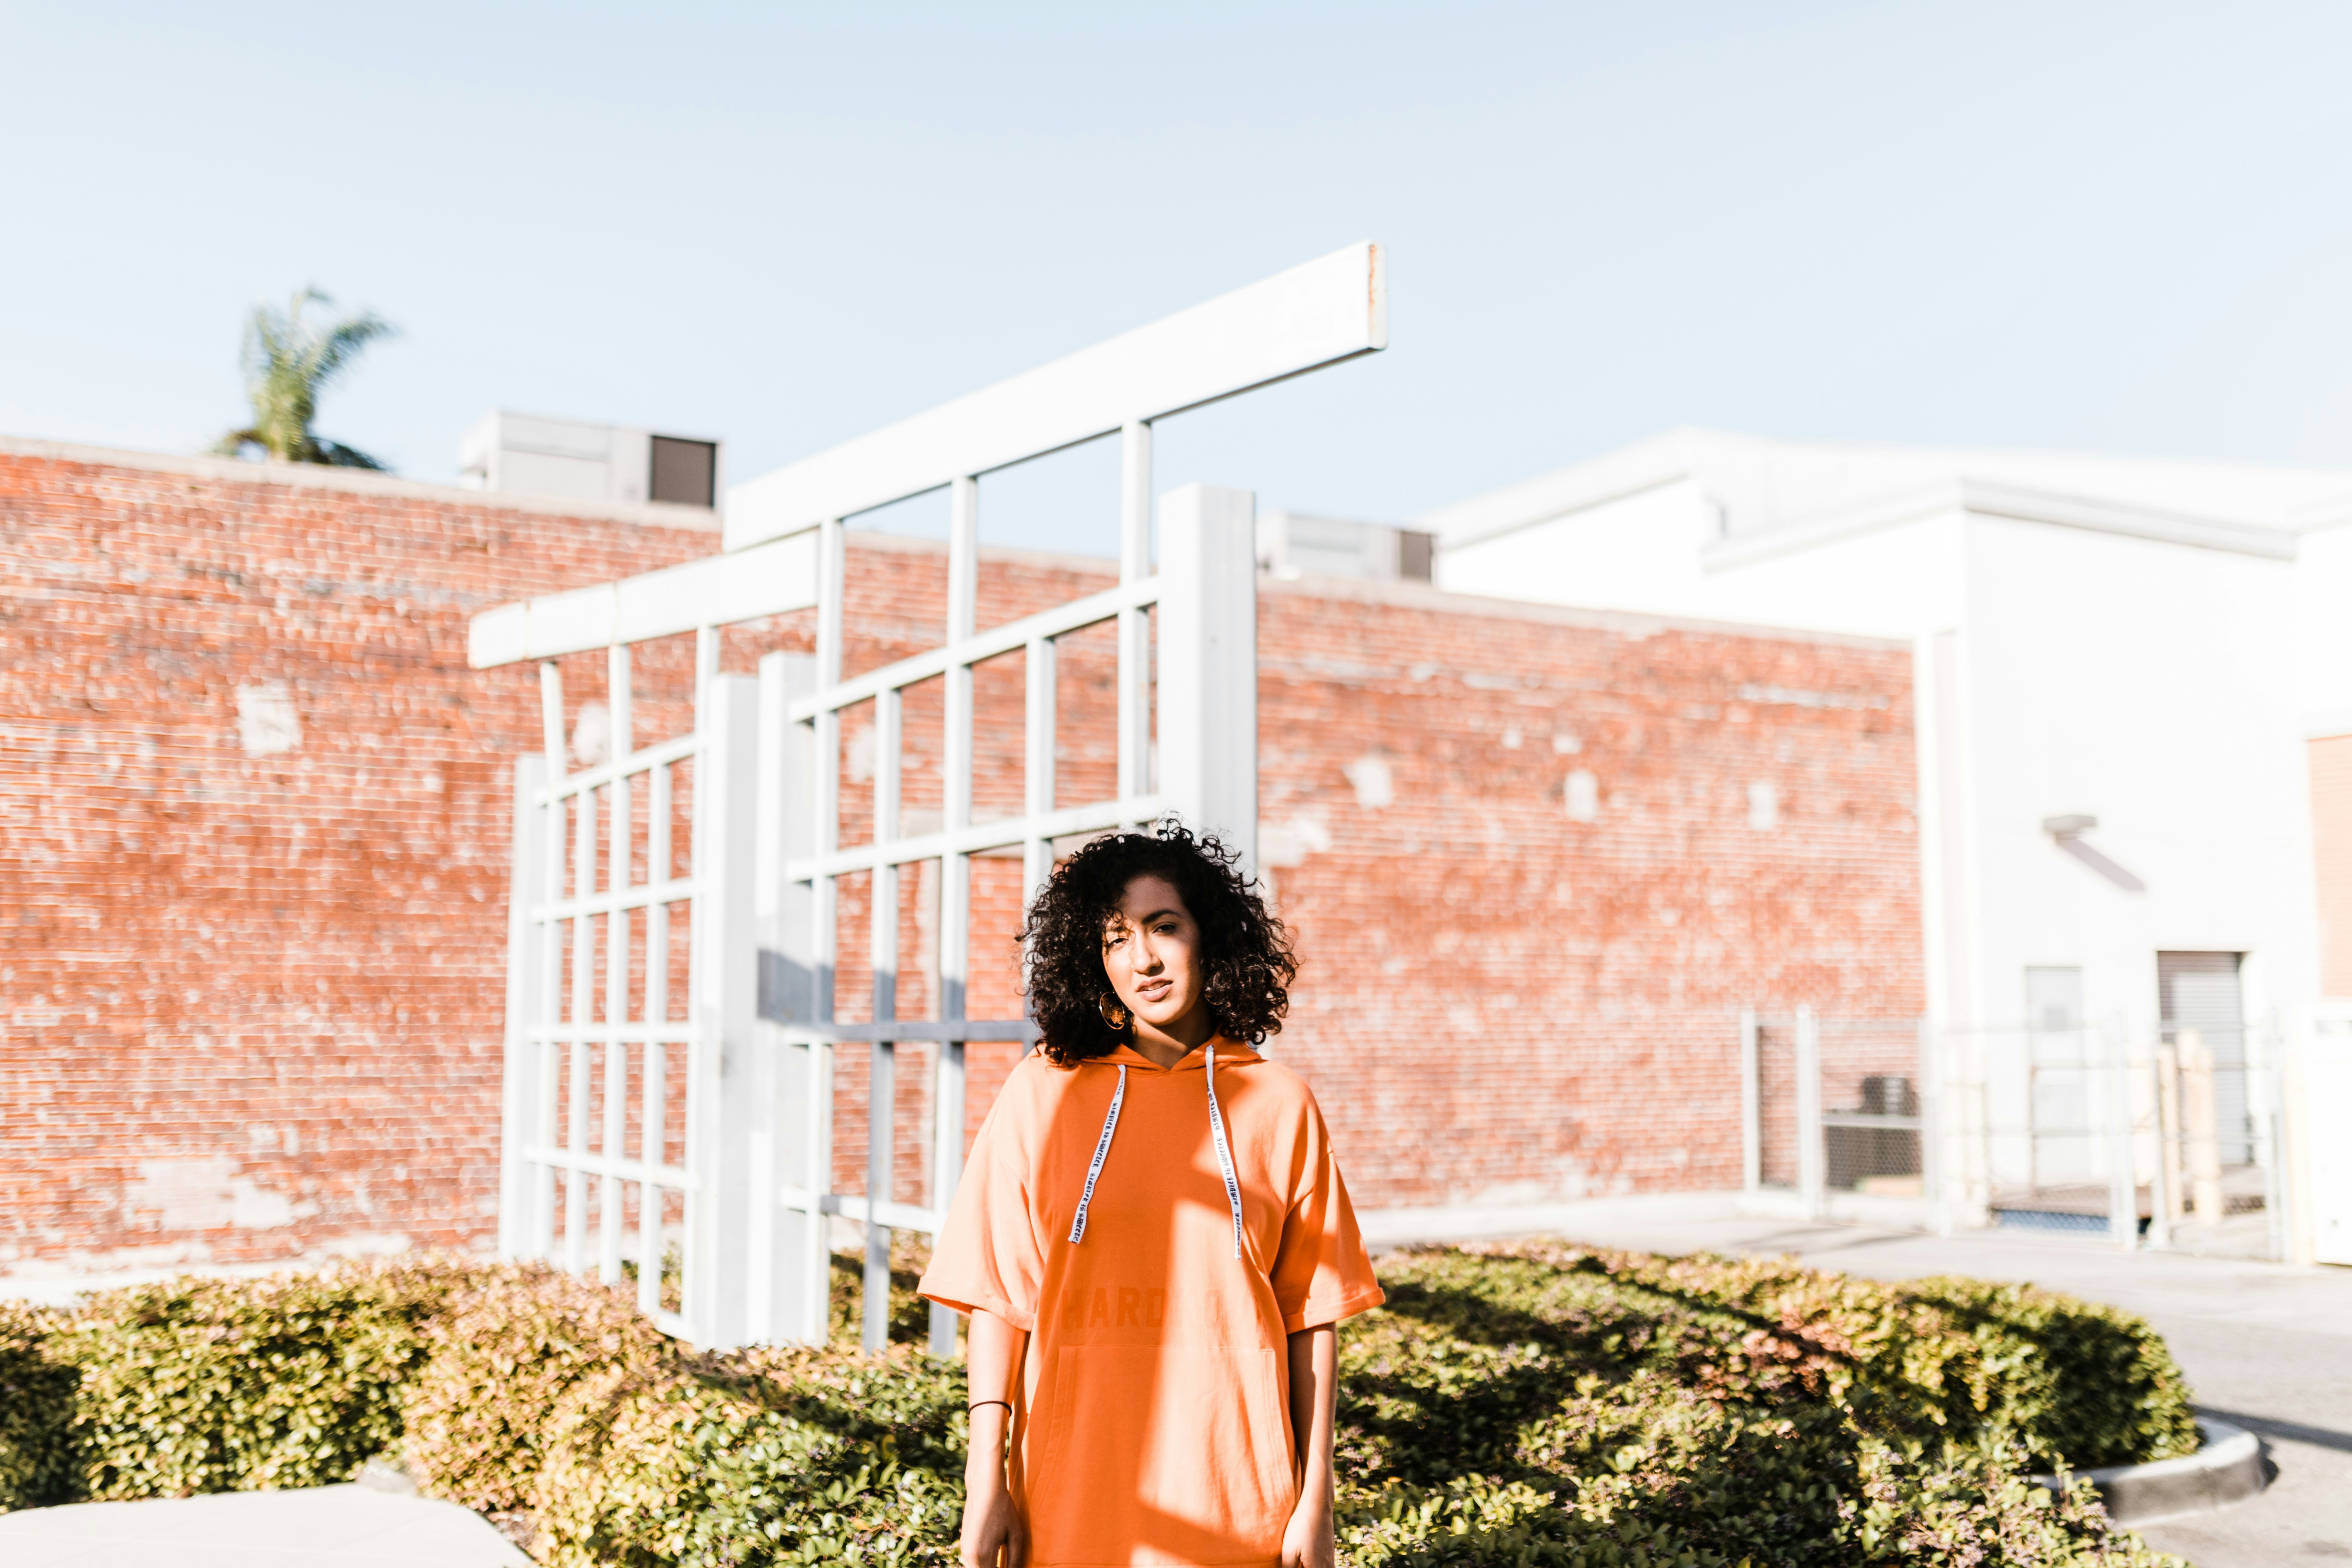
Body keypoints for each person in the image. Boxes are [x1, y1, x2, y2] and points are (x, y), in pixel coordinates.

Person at [918, 823, 1383, 1568]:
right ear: (1091, 960)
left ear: (1210, 936)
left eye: (1163, 927)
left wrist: (1315, 1496)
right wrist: (985, 1477)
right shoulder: (1043, 1094)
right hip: (1067, 1488)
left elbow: (1311, 1317)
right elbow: (999, 1295)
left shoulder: (1279, 1103)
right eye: (1114, 939)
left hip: (1237, 1497)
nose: (1143, 959)